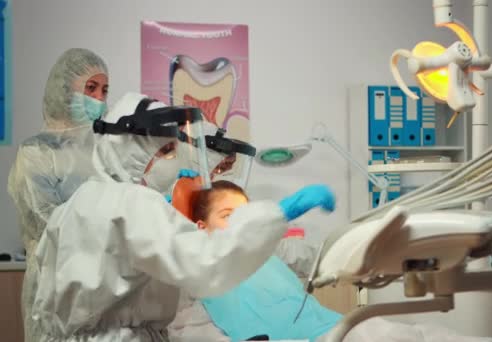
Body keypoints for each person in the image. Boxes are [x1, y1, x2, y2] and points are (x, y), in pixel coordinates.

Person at [32, 92, 336, 341]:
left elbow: (40, 303)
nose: (173, 160)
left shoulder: (74, 206)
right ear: (129, 148)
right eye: (165, 150)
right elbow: (207, 261)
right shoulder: (133, 204)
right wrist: (277, 214)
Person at [169, 180, 492, 342]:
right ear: (200, 226)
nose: (243, 225)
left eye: (248, 215)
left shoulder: (269, 249)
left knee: (410, 333)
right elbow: (186, 327)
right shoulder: (191, 267)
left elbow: (319, 255)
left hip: (330, 329)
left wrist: (369, 245)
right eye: (229, 216)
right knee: (388, 336)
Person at [7, 48, 109, 342]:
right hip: (53, 286)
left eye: (104, 90)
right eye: (90, 88)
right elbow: (48, 224)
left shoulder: (105, 150)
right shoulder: (37, 152)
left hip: (101, 283)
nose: (99, 98)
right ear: (63, 90)